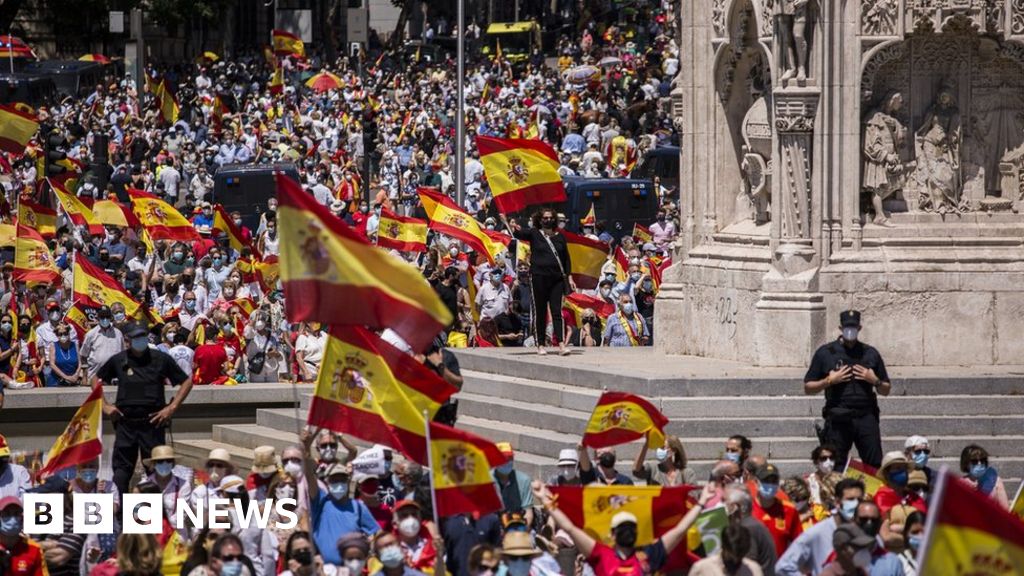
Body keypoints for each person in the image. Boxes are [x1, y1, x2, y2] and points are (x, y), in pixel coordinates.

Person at [533, 480, 715, 576]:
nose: (627, 531)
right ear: (612, 533)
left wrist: (701, 502)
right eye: (622, 528)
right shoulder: (601, 555)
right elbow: (569, 527)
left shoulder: (649, 556)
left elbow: (679, 530)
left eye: (630, 527)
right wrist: (544, 500)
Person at [94, 322, 193, 496]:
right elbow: (95, 379)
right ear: (127, 340)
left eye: (143, 336)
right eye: (136, 337)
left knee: (155, 471)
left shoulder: (161, 359)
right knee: (121, 473)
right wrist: (105, 406)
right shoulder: (119, 360)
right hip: (126, 423)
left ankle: (158, 514)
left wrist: (171, 408)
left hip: (153, 422)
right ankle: (119, 514)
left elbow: (187, 381)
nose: (140, 340)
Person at [804, 310, 890, 468]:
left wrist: (874, 380)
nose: (850, 330)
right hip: (839, 416)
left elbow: (886, 389)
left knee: (874, 465)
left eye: (854, 326)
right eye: (847, 326)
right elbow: (808, 387)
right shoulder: (826, 353)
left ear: (860, 328)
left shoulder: (870, 353)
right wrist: (829, 380)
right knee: (835, 465)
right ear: (840, 328)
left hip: (866, 416)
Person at [303, 430, 379, 567]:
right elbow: (308, 472)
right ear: (327, 481)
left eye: (342, 480)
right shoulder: (319, 501)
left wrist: (368, 554)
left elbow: (374, 533)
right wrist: (307, 445)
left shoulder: (358, 507)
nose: (338, 483)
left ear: (348, 480)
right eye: (334, 480)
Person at [505, 208, 573, 355]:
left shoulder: (560, 237)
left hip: (556, 279)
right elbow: (519, 233)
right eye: (545, 218)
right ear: (540, 220)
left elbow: (566, 258)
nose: (548, 220)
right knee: (540, 312)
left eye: (550, 218)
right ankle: (540, 344)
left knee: (557, 312)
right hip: (538, 278)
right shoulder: (534, 233)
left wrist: (569, 276)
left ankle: (561, 344)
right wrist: (511, 224)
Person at [775, 478, 865, 576]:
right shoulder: (816, 533)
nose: (856, 504)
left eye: (859, 500)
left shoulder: (867, 533)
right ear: (837, 502)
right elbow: (784, 567)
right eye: (850, 499)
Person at [722, 485, 777, 576]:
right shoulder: (752, 524)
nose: (721, 504)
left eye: (724, 500)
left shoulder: (747, 529)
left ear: (735, 506)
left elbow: (747, 566)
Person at [689, 524, 764, 576]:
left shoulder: (754, 570)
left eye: (740, 556)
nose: (735, 560)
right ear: (723, 546)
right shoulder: (702, 568)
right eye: (732, 555)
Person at [0, 496, 47, 576]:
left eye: (16, 514)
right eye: (6, 514)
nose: (12, 519)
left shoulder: (34, 549)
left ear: (22, 519)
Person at [491, 443, 534, 523]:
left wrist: (521, 532)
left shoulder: (524, 480)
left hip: (517, 524)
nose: (507, 461)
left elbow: (528, 513)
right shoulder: (487, 480)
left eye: (510, 458)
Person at [873, 452, 926, 517]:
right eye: (898, 468)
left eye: (904, 468)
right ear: (887, 474)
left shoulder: (914, 497)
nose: (903, 472)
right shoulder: (882, 497)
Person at [959, 444, 1010, 509]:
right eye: (975, 461)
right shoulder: (960, 484)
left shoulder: (995, 480)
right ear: (966, 464)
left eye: (982, 460)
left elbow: (1005, 510)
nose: (980, 463)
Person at [80, 306, 124, 379]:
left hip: (115, 378)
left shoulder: (118, 334)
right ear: (98, 317)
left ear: (111, 317)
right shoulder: (91, 334)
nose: (105, 319)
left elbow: (123, 354)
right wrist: (84, 376)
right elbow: (83, 356)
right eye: (102, 317)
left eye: (107, 316)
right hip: (95, 377)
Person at [898, 512, 924, 576]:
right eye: (915, 532)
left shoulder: (937, 561)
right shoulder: (900, 561)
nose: (920, 536)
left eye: (924, 532)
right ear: (906, 534)